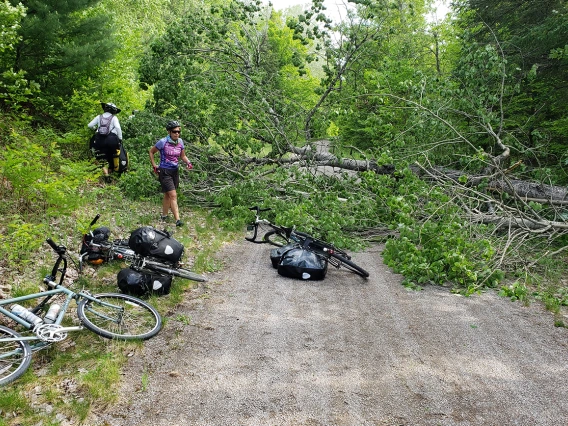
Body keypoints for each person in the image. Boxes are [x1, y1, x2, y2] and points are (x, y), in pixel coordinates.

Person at [149, 121, 193, 227]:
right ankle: (178, 220)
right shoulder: (163, 142)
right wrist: (154, 165)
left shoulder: (180, 142)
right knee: (173, 195)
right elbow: (151, 151)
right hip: (164, 171)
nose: (177, 133)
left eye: (178, 131)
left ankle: (164, 215)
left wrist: (188, 162)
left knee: (168, 195)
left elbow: (183, 156)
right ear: (169, 132)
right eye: (174, 131)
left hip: (175, 170)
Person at [88, 102, 123, 180]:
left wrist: (95, 129)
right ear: (114, 111)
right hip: (112, 139)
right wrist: (120, 139)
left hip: (99, 139)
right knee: (112, 154)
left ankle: (106, 174)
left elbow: (89, 125)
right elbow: (118, 128)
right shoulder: (114, 118)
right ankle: (112, 170)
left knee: (101, 157)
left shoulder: (99, 117)